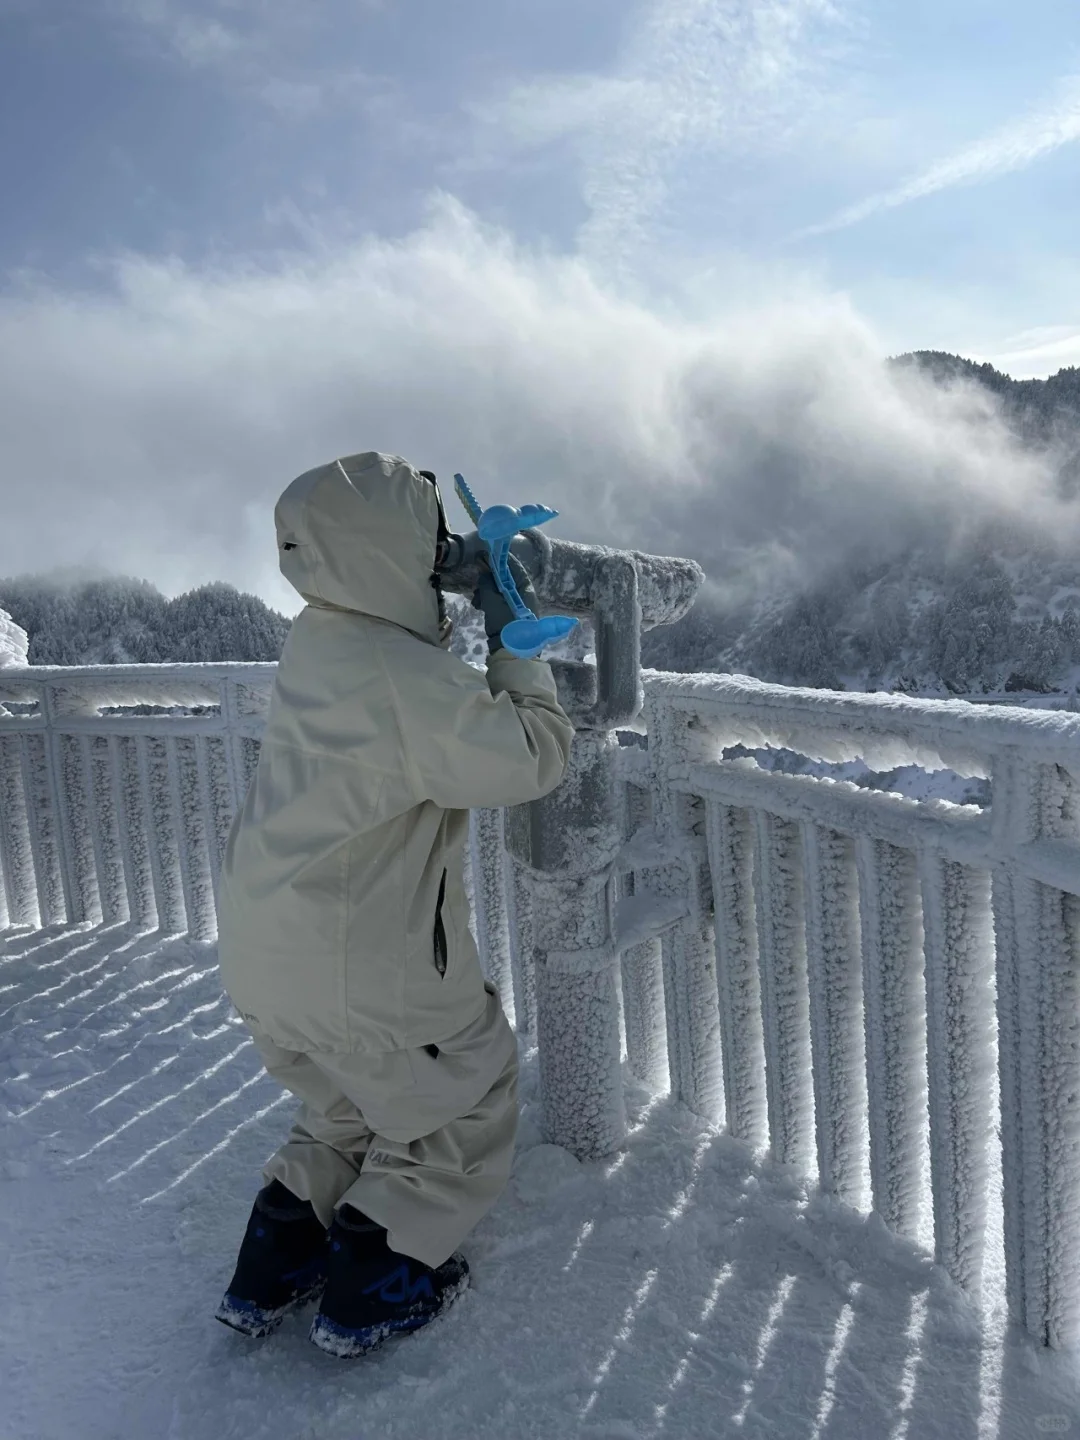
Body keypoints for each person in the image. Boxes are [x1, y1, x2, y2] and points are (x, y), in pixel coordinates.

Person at [214, 451, 574, 1358]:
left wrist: (441, 593)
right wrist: (513, 645)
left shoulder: (322, 640)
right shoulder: (395, 679)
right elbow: (530, 756)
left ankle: (275, 1261)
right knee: (460, 1097)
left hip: (267, 955)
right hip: (362, 963)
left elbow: (400, 681)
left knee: (344, 1105)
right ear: (386, 553)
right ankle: (375, 1284)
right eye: (427, 544)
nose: (437, 557)